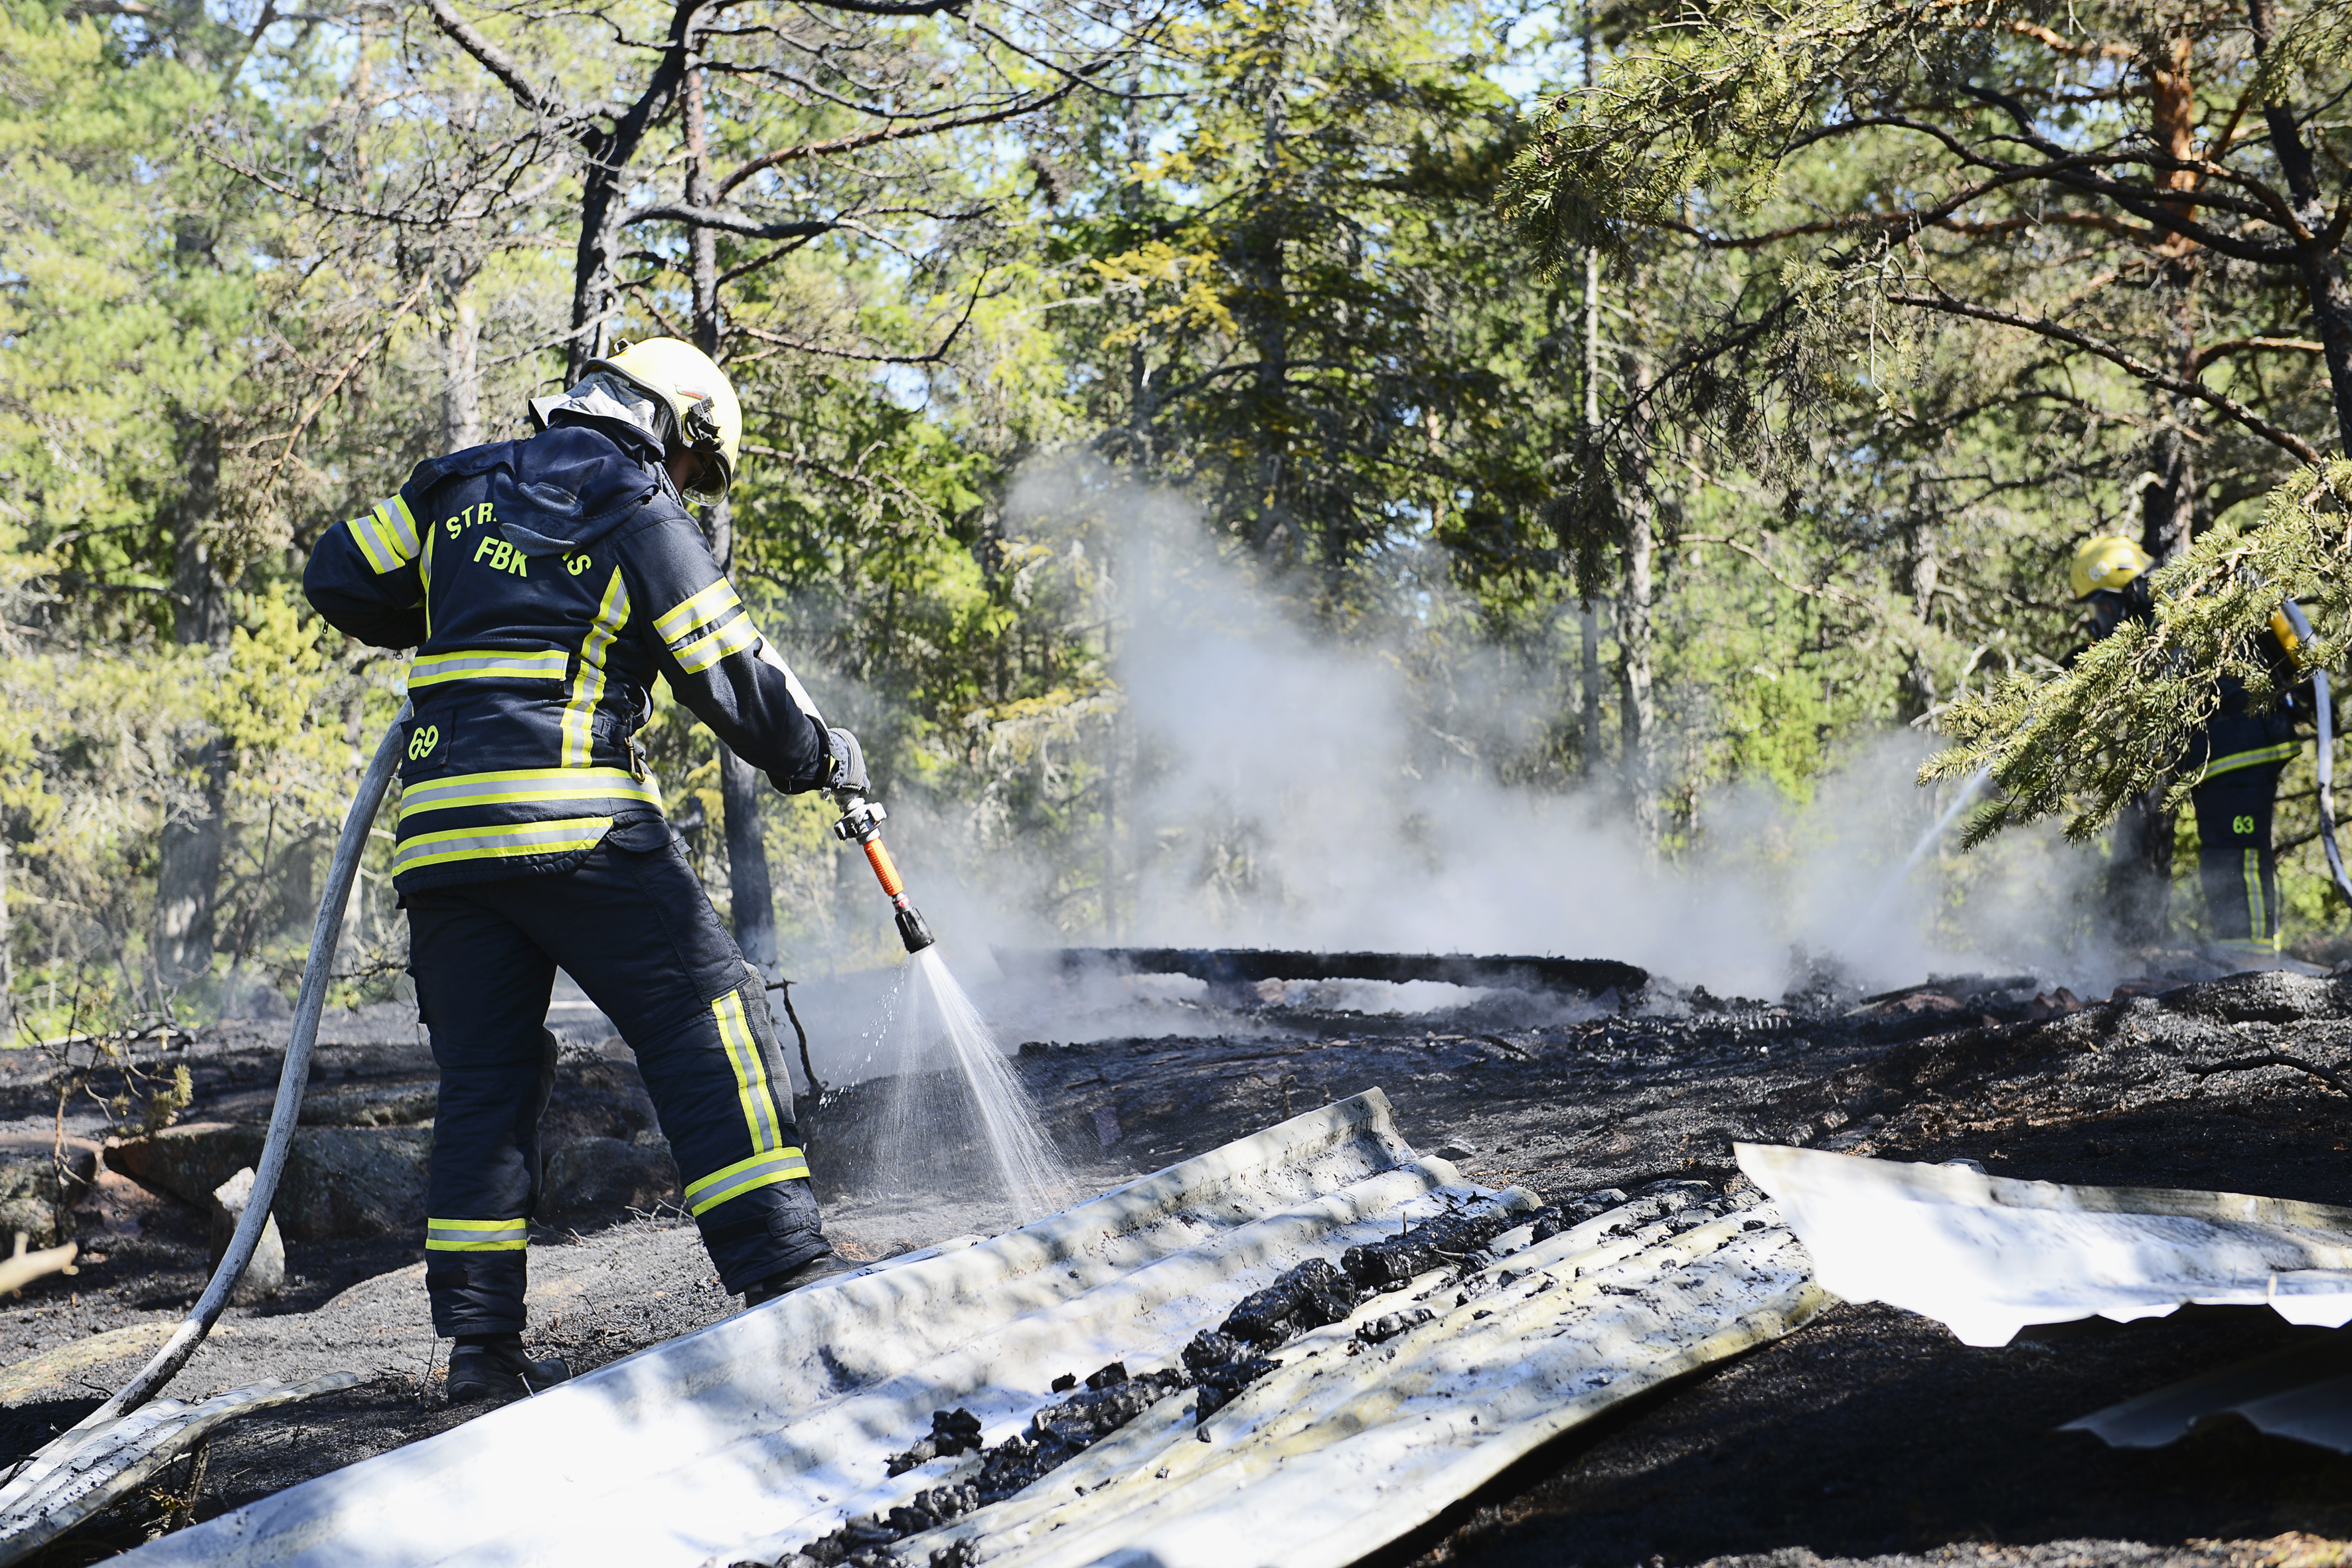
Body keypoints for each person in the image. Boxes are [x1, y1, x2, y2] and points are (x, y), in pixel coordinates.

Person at [305, 338, 860, 1403]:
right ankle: (789, 1275)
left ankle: (479, 1356)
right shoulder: (639, 505)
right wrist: (817, 754)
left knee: (486, 1082)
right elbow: (729, 672)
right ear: (678, 428)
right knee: (711, 1016)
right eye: (697, 466)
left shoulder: (456, 485)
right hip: (574, 819)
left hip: (441, 846)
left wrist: (448, 605)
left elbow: (337, 571)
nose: (688, 486)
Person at [2071, 535, 2304, 957]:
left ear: (2126, 590)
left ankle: (2252, 962)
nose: (2100, 621)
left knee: (2238, 853)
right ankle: (2242, 955)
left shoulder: (2177, 602)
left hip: (2243, 738)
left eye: (2102, 608)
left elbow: (2166, 675)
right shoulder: (2162, 609)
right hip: (2223, 748)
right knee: (2222, 852)